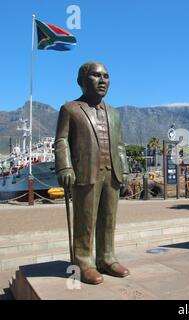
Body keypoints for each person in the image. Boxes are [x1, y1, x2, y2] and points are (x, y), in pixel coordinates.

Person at [55, 62, 130, 285]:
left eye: (106, 76)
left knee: (108, 219)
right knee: (85, 220)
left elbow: (119, 145)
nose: (103, 80)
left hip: (112, 173)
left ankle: (107, 257)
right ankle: (83, 262)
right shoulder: (70, 109)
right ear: (82, 80)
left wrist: (124, 168)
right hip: (85, 172)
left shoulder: (114, 113)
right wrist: (65, 166)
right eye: (96, 76)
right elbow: (61, 141)